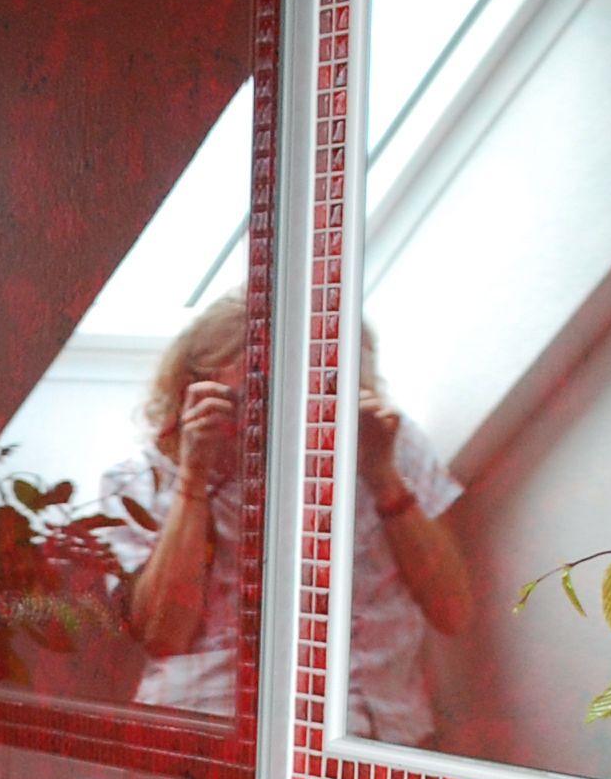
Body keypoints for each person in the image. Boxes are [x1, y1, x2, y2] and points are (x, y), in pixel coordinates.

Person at [97, 294, 472, 740]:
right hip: (213, 728)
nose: (282, 418)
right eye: (258, 394)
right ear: (195, 391)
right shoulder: (143, 481)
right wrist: (193, 480)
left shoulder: (389, 443)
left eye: (308, 389)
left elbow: (452, 612)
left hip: (376, 731)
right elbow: (164, 635)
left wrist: (383, 476)